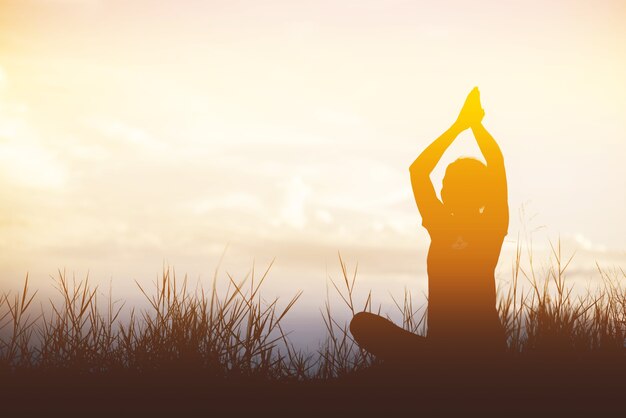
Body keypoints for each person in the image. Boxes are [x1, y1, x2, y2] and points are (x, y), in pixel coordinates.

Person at [350, 87, 508, 363]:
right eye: (445, 184)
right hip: (440, 352)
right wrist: (460, 126)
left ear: (470, 193)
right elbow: (419, 171)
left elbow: (495, 163)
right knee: (362, 323)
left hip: (483, 352)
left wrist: (474, 126)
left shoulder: (491, 225)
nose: (443, 190)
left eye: (449, 185)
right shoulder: (441, 225)